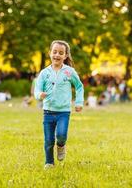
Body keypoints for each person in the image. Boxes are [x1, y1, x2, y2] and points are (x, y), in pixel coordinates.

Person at [34, 40, 84, 169]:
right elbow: (37, 89)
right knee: (49, 140)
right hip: (48, 111)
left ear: (65, 56)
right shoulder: (44, 73)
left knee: (61, 135)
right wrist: (39, 95)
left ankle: (61, 145)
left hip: (63, 111)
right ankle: (49, 162)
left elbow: (79, 86)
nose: (57, 55)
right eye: (54, 52)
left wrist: (79, 102)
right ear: (50, 53)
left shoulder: (69, 72)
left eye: (60, 53)